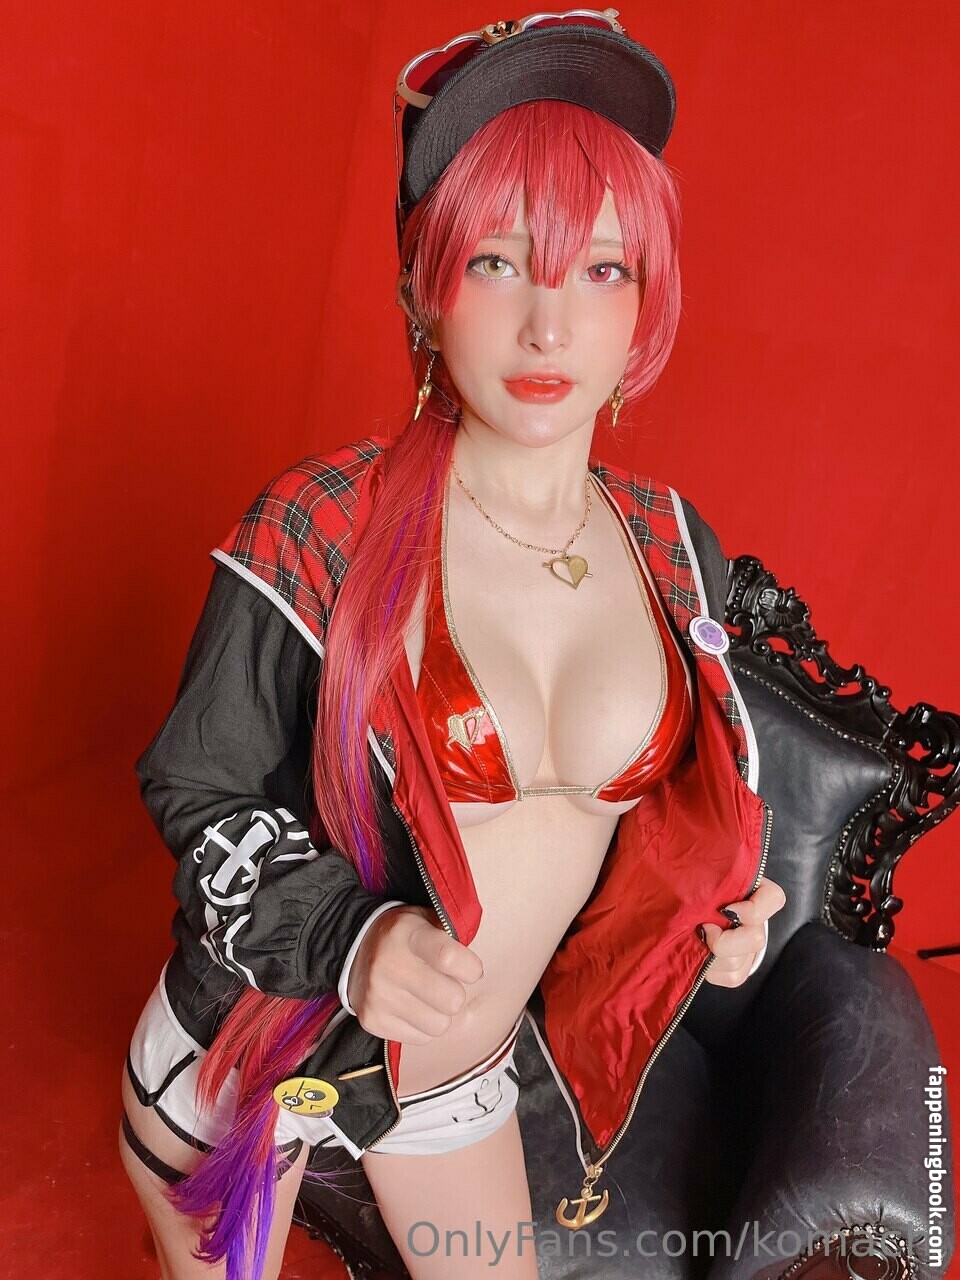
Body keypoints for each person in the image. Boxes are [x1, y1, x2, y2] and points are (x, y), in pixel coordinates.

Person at [118, 10, 788, 1280]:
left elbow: (689, 796)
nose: (550, 328)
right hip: (255, 1057)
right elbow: (196, 786)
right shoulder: (322, 523)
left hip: (451, 1080)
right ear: (423, 284)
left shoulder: (668, 541)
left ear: (647, 297)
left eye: (601, 269)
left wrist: (718, 907)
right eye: (497, 260)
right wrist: (352, 940)